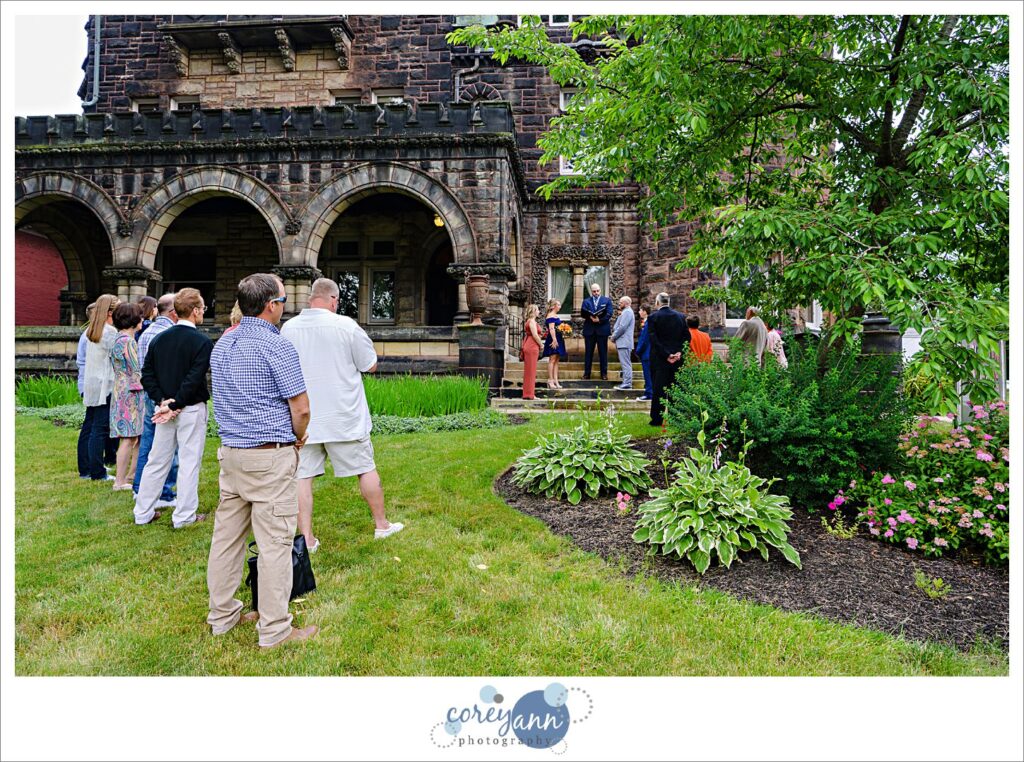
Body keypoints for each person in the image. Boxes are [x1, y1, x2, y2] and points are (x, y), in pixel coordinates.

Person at [207, 273, 318, 649]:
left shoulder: (223, 344)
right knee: (274, 543)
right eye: (284, 299)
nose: (285, 306)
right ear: (272, 305)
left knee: (227, 539)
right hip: (269, 456)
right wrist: (299, 436)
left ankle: (222, 616)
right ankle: (275, 629)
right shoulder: (277, 346)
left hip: (232, 455)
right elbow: (300, 407)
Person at [281, 277, 405, 550]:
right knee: (365, 469)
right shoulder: (345, 326)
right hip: (344, 416)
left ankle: (307, 539)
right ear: (334, 300)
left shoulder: (288, 329)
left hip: (306, 417)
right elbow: (370, 364)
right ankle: (382, 525)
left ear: (311, 297)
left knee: (303, 477)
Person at [135, 288, 212, 528]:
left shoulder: (159, 338)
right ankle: (184, 516)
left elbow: (146, 375)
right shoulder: (202, 342)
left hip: (166, 407)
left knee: (157, 460)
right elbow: (194, 378)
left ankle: (143, 512)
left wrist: (162, 401)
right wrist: (173, 403)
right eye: (203, 309)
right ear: (196, 311)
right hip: (187, 407)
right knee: (189, 461)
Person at [132, 293, 180, 507]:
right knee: (167, 447)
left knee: (147, 443)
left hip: (148, 392)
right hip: (163, 396)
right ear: (173, 312)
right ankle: (164, 493)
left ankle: (139, 488)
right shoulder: (169, 333)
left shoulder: (146, 332)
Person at [81, 294, 120, 481]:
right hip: (106, 384)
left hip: (93, 383)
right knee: (100, 429)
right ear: (110, 312)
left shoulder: (92, 330)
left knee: (92, 427)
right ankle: (97, 472)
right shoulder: (110, 332)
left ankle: (91, 467)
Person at [109, 302, 145, 491]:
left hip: (121, 390)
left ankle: (130, 476)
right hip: (131, 393)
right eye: (140, 316)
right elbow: (136, 369)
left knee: (133, 437)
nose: (143, 319)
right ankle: (120, 480)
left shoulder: (117, 339)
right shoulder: (128, 341)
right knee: (128, 438)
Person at [646, 292, 691, 427]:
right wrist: (679, 353)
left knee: (659, 389)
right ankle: (675, 417)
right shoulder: (681, 317)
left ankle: (657, 419)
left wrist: (667, 355)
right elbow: (687, 338)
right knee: (675, 388)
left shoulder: (653, 317)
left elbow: (654, 339)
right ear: (669, 302)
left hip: (660, 360)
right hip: (676, 359)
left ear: (658, 303)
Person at [580, 282, 613, 380]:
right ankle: (586, 374)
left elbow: (609, 313)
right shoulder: (586, 301)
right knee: (588, 353)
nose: (596, 293)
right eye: (594, 291)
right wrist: (590, 316)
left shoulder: (606, 300)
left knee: (603, 353)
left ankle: (604, 374)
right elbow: (583, 313)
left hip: (602, 329)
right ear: (591, 291)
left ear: (600, 290)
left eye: (597, 291)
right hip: (589, 330)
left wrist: (599, 320)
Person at [541, 298, 567, 389]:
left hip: (559, 338)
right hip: (553, 339)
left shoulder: (555, 315)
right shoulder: (550, 315)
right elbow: (551, 329)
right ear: (554, 306)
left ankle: (556, 381)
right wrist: (554, 340)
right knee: (552, 360)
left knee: (556, 360)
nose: (560, 306)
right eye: (559, 305)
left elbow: (557, 328)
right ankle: (550, 380)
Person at [610, 296, 635, 391]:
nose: (619, 304)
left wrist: (613, 337)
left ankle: (627, 383)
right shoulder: (625, 312)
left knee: (625, 364)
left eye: (621, 303)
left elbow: (622, 327)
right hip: (623, 342)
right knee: (625, 363)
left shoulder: (628, 312)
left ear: (627, 303)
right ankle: (626, 382)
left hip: (624, 342)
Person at [520, 303, 544, 401]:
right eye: (537, 310)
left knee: (530, 370)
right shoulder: (532, 322)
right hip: (532, 346)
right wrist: (541, 344)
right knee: (531, 371)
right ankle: (529, 394)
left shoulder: (530, 321)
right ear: (533, 311)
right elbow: (534, 334)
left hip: (530, 345)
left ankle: (528, 393)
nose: (539, 311)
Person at [635, 305, 653, 402]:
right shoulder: (646, 322)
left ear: (645, 311)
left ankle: (649, 393)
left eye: (640, 310)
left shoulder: (648, 323)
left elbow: (644, 339)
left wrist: (638, 350)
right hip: (647, 352)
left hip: (647, 353)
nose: (639, 312)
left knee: (648, 374)